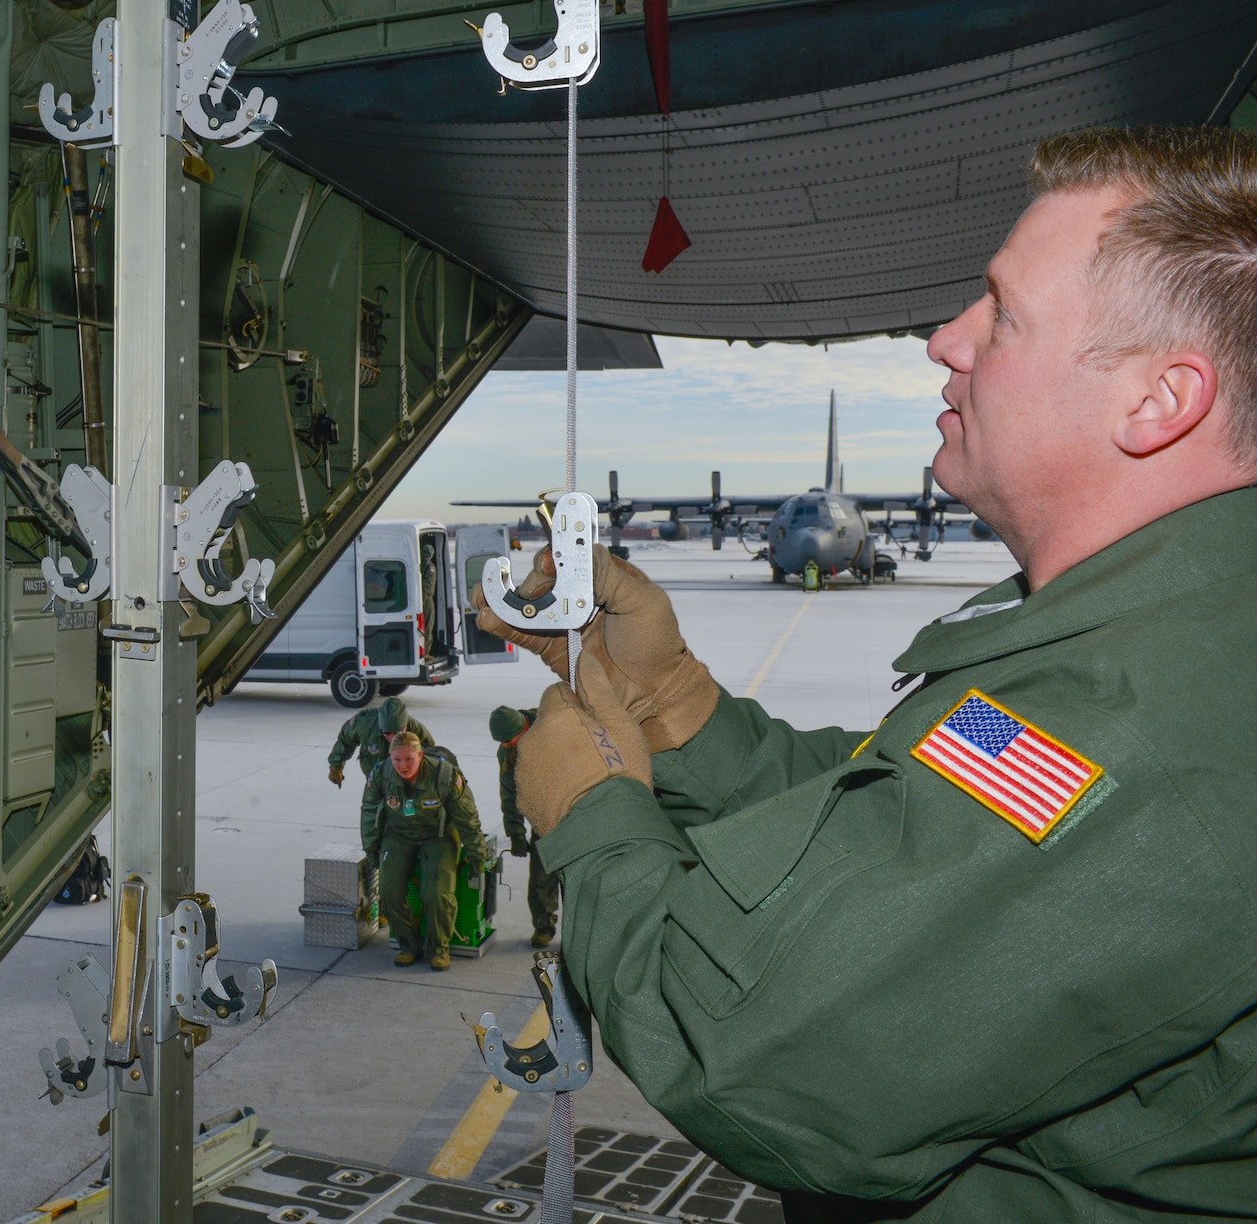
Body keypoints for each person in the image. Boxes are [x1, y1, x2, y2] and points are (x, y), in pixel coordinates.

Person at [486, 126, 1257, 1221]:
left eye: (1003, 314)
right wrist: (679, 710)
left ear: (1155, 401)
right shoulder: (1137, 641)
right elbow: (919, 818)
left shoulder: (1129, 733)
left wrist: (590, 812)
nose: (946, 339)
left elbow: (760, 1056)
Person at [360, 731, 483, 970]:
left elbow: (467, 818)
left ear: (421, 755)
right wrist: (372, 847)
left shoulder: (444, 776)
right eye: (397, 760)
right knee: (389, 890)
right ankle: (409, 945)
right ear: (389, 757)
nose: (403, 766)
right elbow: (369, 811)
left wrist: (477, 855)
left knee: (436, 894)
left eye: (409, 759)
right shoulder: (381, 774)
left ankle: (439, 948)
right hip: (398, 835)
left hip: (438, 836)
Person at [489, 704, 557, 949]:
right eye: (502, 743)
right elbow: (510, 792)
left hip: (578, 812)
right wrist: (516, 831)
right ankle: (543, 927)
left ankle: (584, 932)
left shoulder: (554, 729)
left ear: (524, 727)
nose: (506, 746)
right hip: (543, 817)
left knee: (579, 879)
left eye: (509, 740)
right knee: (540, 877)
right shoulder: (508, 751)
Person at [326, 694, 435, 786]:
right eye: (387, 733)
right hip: (374, 778)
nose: (392, 738)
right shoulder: (364, 723)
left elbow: (431, 755)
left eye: (397, 733)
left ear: (405, 727)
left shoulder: (417, 731)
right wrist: (335, 766)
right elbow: (345, 740)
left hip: (404, 781)